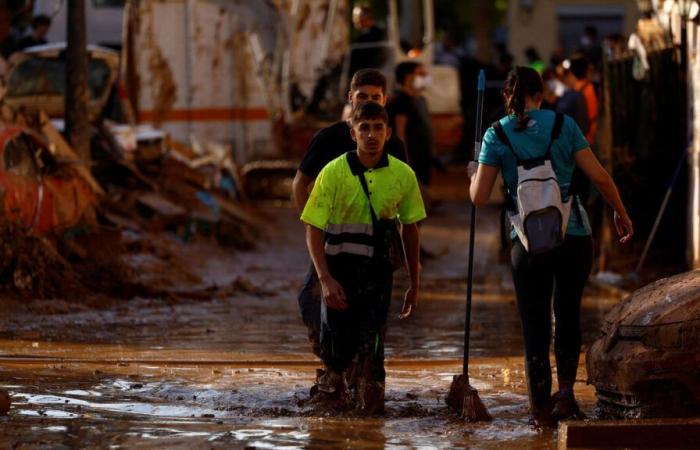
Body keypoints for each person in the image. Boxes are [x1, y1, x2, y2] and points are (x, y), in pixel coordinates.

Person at [467, 66, 633, 427]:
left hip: (527, 243)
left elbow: (479, 198)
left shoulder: (496, 134)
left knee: (534, 324)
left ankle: (539, 411)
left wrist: (471, 176)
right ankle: (567, 396)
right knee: (569, 313)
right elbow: (601, 177)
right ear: (541, 93)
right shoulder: (564, 125)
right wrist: (620, 212)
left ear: (507, 96)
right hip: (573, 235)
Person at [300, 102, 425, 414]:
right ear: (352, 132)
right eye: (364, 128)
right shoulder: (332, 173)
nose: (371, 135)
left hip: (378, 276)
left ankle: (371, 413)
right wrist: (325, 279)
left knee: (374, 348)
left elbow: (410, 229)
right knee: (335, 350)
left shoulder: (403, 175)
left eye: (378, 128)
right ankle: (330, 404)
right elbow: (313, 228)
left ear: (388, 133)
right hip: (339, 272)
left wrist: (414, 282)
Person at [292, 69, 406, 379]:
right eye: (362, 97)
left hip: (375, 251)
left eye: (375, 98)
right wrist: (314, 224)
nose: (368, 103)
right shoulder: (329, 139)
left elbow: (407, 205)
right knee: (313, 302)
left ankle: (365, 381)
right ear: (350, 99)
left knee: (372, 325)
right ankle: (334, 366)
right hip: (334, 242)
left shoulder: (394, 148)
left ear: (386, 100)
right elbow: (299, 184)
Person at [387, 61, 433, 187]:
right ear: (408, 77)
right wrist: (405, 160)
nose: (425, 77)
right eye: (420, 74)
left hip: (422, 158)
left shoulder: (421, 100)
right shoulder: (401, 101)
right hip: (411, 158)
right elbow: (400, 133)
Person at [348, 4, 387, 76]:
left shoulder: (376, 33)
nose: (354, 19)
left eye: (356, 16)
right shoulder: (363, 35)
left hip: (365, 70)